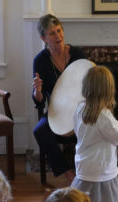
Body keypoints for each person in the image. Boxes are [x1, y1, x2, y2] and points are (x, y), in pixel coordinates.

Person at [70, 66, 118, 202]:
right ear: (108, 91)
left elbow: (89, 132)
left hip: (85, 165)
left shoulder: (80, 108)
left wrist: (117, 123)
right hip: (100, 168)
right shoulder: (104, 115)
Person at [32, 14, 86, 183]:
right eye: (52, 33)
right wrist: (38, 90)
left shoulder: (77, 54)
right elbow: (38, 101)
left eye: (59, 30)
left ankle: (89, 172)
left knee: (99, 123)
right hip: (57, 111)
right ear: (43, 38)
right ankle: (69, 173)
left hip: (81, 108)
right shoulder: (40, 61)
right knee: (39, 130)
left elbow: (91, 83)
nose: (58, 36)